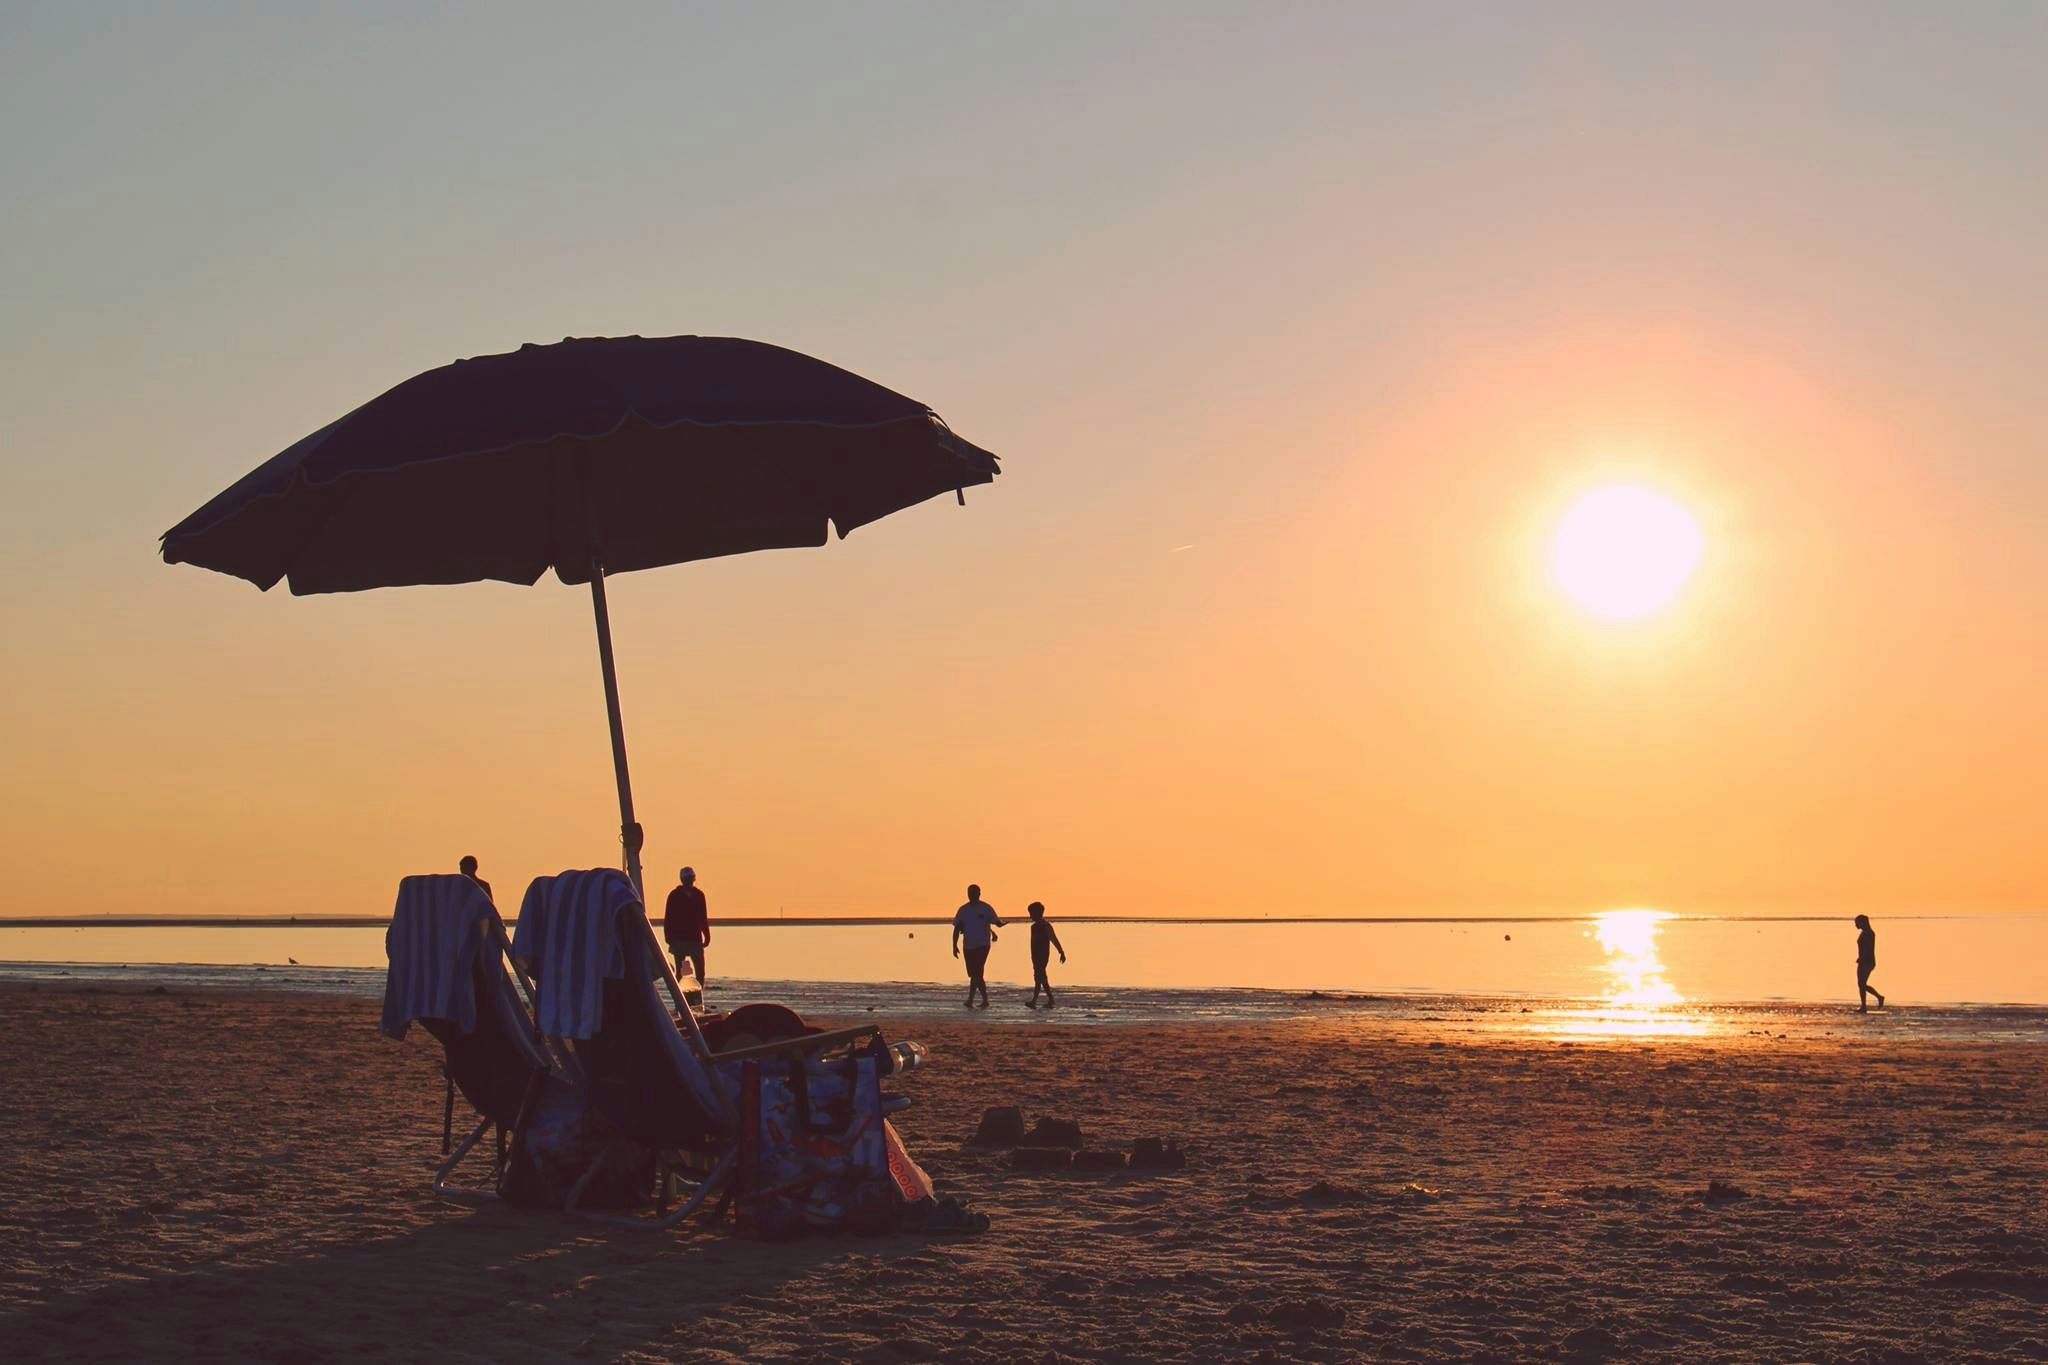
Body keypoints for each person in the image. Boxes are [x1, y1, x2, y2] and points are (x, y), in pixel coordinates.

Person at [951, 884, 1002, 1009]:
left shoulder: (986, 908)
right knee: (974, 974)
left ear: (979, 893)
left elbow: (996, 921)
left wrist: (1001, 924)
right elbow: (957, 928)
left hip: (983, 945)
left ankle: (972, 999)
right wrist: (954, 945)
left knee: (977, 972)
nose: (972, 895)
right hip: (968, 945)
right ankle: (983, 1000)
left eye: (974, 893)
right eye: (970, 893)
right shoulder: (963, 910)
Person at [665, 866, 710, 987]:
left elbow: (703, 917)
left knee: (700, 971)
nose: (689, 881)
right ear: (682, 880)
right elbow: (668, 918)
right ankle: (680, 997)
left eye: (691, 878)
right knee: (679, 973)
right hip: (678, 939)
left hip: (695, 938)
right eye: (687, 879)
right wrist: (669, 938)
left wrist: (707, 935)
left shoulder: (699, 895)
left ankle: (698, 996)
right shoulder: (674, 895)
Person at [1024, 901, 1067, 1009]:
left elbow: (1053, 938)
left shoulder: (1045, 925)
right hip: (1035, 955)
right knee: (1040, 978)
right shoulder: (1033, 927)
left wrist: (1060, 951)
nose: (1030, 916)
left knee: (1039, 977)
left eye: (1032, 913)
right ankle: (1049, 999)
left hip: (1042, 955)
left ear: (1038, 913)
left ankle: (1036, 1001)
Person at [1855, 914, 1885, 1012]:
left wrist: (1862, 958)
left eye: (1857, 922)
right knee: (1861, 984)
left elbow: (1869, 948)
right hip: (1863, 960)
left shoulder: (1869, 933)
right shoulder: (1864, 932)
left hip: (1867, 961)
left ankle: (1871, 1002)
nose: (1855, 924)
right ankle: (1865, 1004)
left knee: (1862, 983)